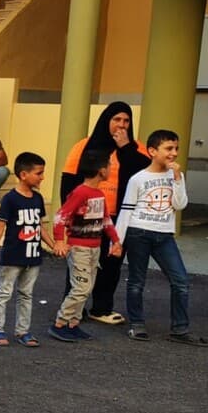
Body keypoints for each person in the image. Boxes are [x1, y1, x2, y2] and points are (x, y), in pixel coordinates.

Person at [61, 101, 150, 324]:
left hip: (119, 218)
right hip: (86, 219)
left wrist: (126, 148)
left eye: (126, 121)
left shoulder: (136, 148)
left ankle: (101, 308)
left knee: (111, 264)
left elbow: (144, 175)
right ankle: (73, 309)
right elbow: (68, 181)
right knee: (82, 263)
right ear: (106, 121)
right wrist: (70, 216)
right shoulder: (84, 145)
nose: (121, 125)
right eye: (116, 120)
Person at [117, 129, 206, 346]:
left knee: (181, 281)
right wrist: (117, 241)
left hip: (164, 234)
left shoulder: (177, 176)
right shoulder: (138, 178)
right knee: (137, 281)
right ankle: (137, 325)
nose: (174, 153)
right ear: (152, 151)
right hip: (139, 232)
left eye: (176, 148)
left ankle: (180, 329)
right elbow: (127, 210)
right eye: (168, 148)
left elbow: (180, 204)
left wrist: (176, 179)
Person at [51, 151, 122, 342]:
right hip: (79, 248)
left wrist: (115, 241)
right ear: (101, 170)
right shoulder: (80, 192)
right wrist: (59, 240)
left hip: (94, 248)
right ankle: (60, 323)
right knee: (81, 287)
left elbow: (105, 220)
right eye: (109, 166)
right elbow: (61, 216)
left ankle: (73, 324)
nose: (111, 169)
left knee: (86, 287)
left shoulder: (98, 194)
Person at [0, 152, 53, 348]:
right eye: (38, 173)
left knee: (26, 294)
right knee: (4, 293)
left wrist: (53, 244)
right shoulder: (10, 199)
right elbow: (0, 227)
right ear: (23, 175)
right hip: (13, 256)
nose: (42, 177)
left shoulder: (38, 199)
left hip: (33, 256)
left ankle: (23, 330)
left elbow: (40, 226)